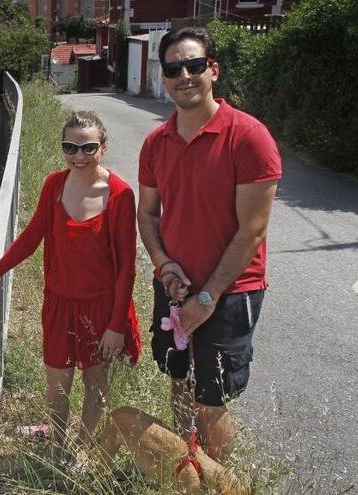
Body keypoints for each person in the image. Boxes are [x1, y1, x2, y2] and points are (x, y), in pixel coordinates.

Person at [136, 26, 282, 462]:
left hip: (231, 292)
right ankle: (187, 470)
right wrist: (163, 266)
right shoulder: (155, 143)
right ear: (163, 76)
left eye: (194, 65)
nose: (185, 75)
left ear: (212, 70)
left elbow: (251, 229)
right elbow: (147, 214)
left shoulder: (249, 137)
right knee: (178, 380)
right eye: (173, 68)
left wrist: (207, 296)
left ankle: (217, 480)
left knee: (211, 399)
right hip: (175, 287)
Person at [0, 110, 142, 456]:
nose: (78, 156)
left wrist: (115, 325)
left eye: (88, 148)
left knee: (96, 385)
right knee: (57, 387)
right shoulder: (54, 186)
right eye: (70, 148)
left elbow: (127, 268)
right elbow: (30, 239)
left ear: (103, 147)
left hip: (101, 307)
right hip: (59, 305)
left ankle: (81, 450)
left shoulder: (120, 195)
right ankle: (56, 450)